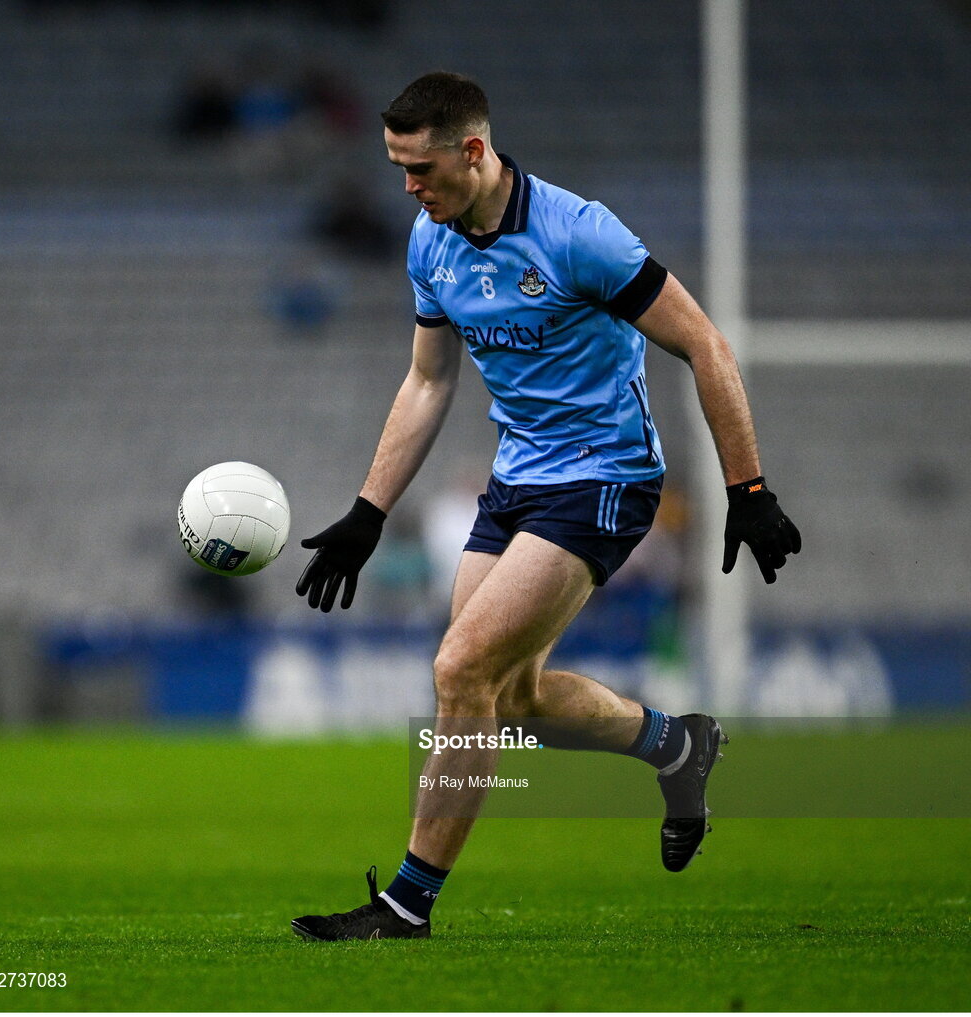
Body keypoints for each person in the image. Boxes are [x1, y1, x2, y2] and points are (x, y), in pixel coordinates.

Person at [291, 72, 801, 941]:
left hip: (606, 476)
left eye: (419, 169)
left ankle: (406, 906)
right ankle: (676, 746)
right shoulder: (432, 241)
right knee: (508, 695)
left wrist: (748, 489)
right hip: (518, 478)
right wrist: (367, 512)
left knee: (459, 671)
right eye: (397, 169)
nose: (407, 189)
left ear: (475, 151)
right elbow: (427, 380)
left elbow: (704, 343)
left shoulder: (579, 234)